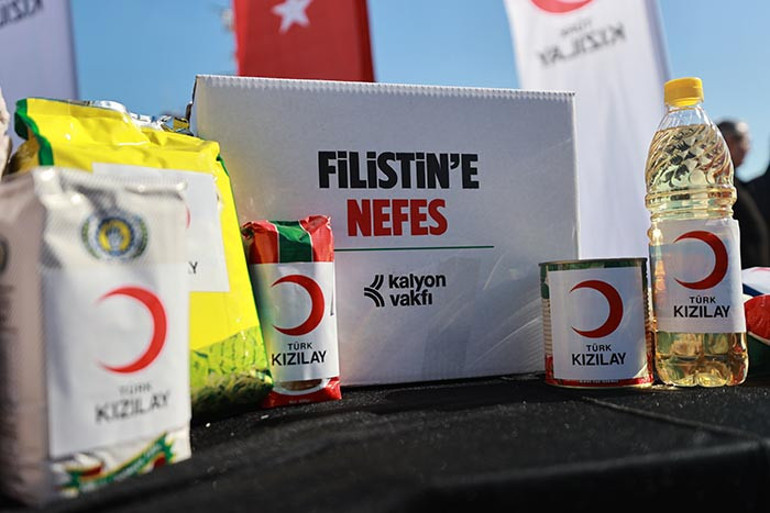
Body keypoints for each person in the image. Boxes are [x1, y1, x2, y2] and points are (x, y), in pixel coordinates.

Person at [717, 119, 770, 268]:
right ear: (730, 142)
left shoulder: (739, 186)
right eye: (747, 142)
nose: (748, 149)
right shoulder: (717, 187)